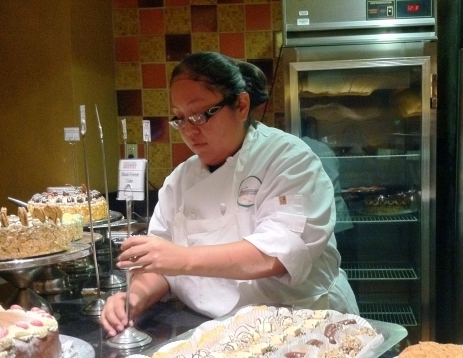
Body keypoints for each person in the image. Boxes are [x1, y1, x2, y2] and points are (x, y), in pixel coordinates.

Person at [101, 52, 358, 337]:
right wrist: (134, 298)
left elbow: (277, 255)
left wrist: (182, 258)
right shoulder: (180, 180)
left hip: (305, 323)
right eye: (180, 118)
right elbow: (159, 266)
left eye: (199, 115)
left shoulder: (288, 159)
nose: (189, 131)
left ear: (242, 105)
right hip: (216, 331)